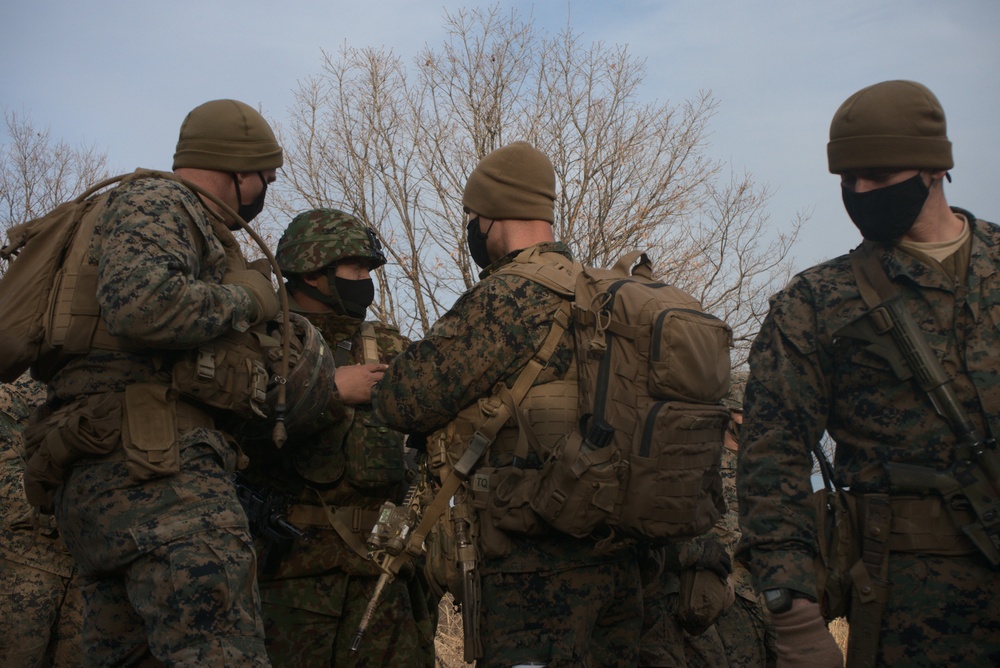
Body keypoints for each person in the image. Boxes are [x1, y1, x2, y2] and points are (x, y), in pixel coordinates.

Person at [738, 79, 1000, 667]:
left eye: (877, 176)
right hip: (907, 604)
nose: (859, 192)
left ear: (934, 168)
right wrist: (794, 615)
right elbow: (771, 458)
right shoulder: (815, 301)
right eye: (846, 180)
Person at [22, 99, 284, 665]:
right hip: (158, 476)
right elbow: (142, 306)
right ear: (238, 171)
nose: (266, 190)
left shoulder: (136, 210)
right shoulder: (161, 202)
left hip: (111, 470)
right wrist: (249, 298)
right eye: (264, 177)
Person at [374, 141, 643, 667]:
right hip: (621, 562)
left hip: (531, 571)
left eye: (472, 217)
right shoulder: (604, 295)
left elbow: (403, 401)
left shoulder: (509, 297)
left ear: (489, 216)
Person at [239, 208, 437, 667]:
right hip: (289, 579)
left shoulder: (386, 345)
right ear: (312, 271)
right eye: (356, 269)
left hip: (383, 575)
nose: (365, 280)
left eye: (369, 269)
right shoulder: (260, 341)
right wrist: (330, 391)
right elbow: (235, 426)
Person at [1, 374, 83, 667]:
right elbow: (4, 477)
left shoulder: (115, 393)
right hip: (26, 564)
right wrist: (78, 506)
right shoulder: (13, 395)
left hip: (90, 575)